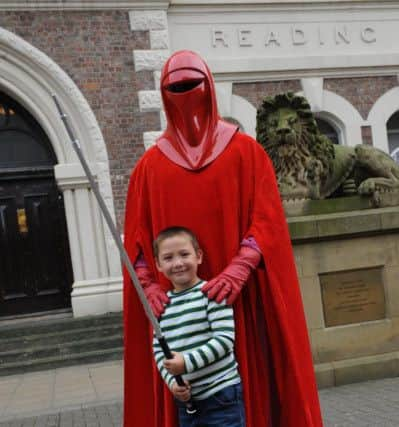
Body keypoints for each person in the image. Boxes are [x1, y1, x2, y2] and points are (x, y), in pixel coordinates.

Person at [123, 49, 323, 427]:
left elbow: (267, 221)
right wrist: (149, 285)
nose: (185, 94)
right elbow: (135, 242)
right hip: (180, 308)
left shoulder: (246, 152)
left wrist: (240, 268)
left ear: (208, 86)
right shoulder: (148, 169)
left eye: (191, 84)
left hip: (240, 301)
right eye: (176, 87)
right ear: (164, 94)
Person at [152, 226, 245, 427]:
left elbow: (224, 341)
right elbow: (159, 353)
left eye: (184, 254)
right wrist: (172, 382)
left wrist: (186, 362)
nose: (178, 263)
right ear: (158, 265)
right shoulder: (161, 306)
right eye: (168, 258)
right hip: (187, 402)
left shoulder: (212, 293)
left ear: (199, 256)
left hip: (222, 396)